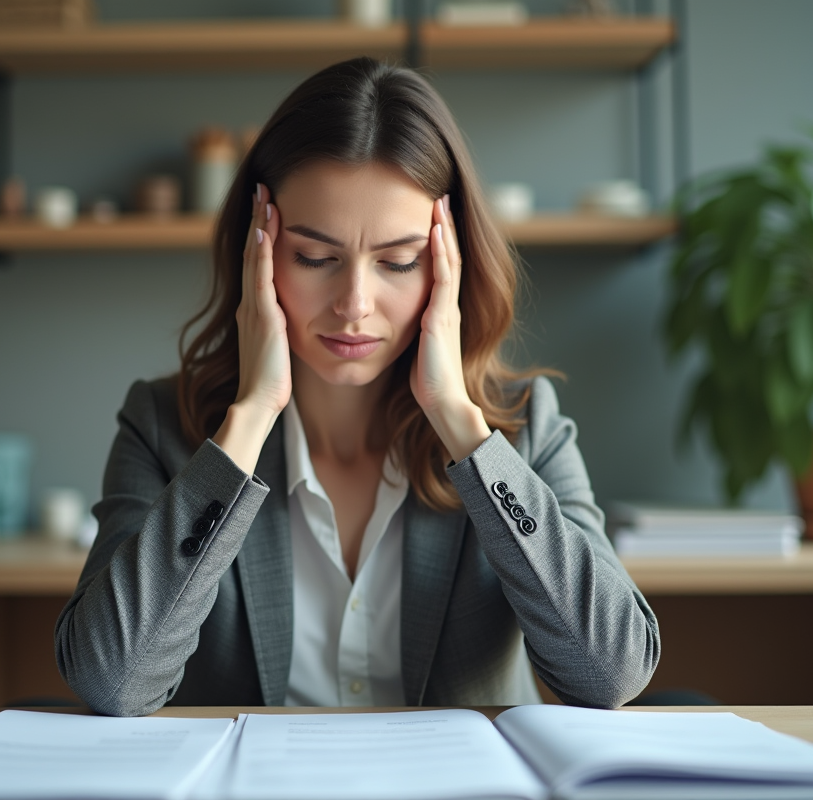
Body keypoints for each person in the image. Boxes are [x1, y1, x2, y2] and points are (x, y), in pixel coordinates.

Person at [54, 56, 659, 717]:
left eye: (399, 262)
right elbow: (112, 682)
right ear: (259, 249)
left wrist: (458, 422)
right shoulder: (163, 423)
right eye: (316, 258)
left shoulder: (518, 425)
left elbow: (611, 673)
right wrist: (250, 419)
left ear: (447, 268)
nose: (355, 304)